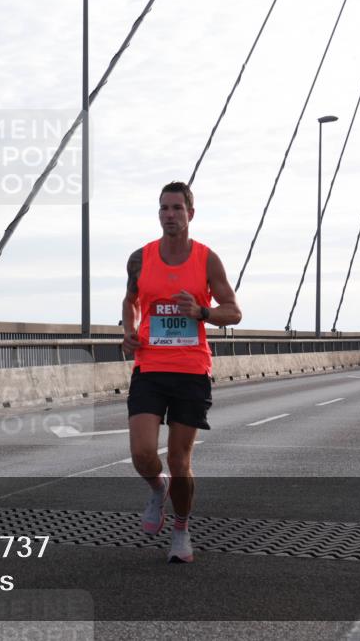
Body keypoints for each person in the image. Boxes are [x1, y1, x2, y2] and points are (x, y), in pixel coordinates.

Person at [122, 181, 242, 563]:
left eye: (176, 208)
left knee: (179, 461)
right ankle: (158, 491)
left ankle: (181, 530)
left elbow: (234, 311)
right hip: (150, 367)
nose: (169, 215)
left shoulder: (206, 259)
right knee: (142, 453)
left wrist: (202, 312)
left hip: (191, 370)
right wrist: (128, 330)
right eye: (163, 208)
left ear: (191, 213)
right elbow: (130, 301)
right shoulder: (140, 258)